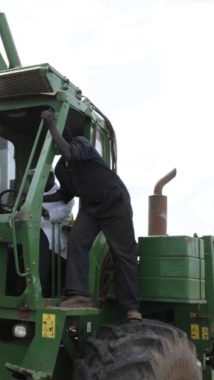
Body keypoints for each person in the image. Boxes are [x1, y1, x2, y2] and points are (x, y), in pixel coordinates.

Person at [41, 109, 141, 320]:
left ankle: (132, 308)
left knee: (123, 253)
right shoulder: (61, 169)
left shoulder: (81, 144)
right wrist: (36, 201)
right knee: (77, 242)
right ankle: (79, 295)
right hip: (90, 206)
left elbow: (69, 152)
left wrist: (51, 124)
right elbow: (64, 194)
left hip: (114, 201)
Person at [39, 172, 73, 297]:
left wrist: (44, 212)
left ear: (52, 177)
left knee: (40, 239)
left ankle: (40, 289)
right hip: (32, 229)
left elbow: (62, 214)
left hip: (56, 231)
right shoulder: (34, 191)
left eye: (42, 176)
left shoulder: (64, 193)